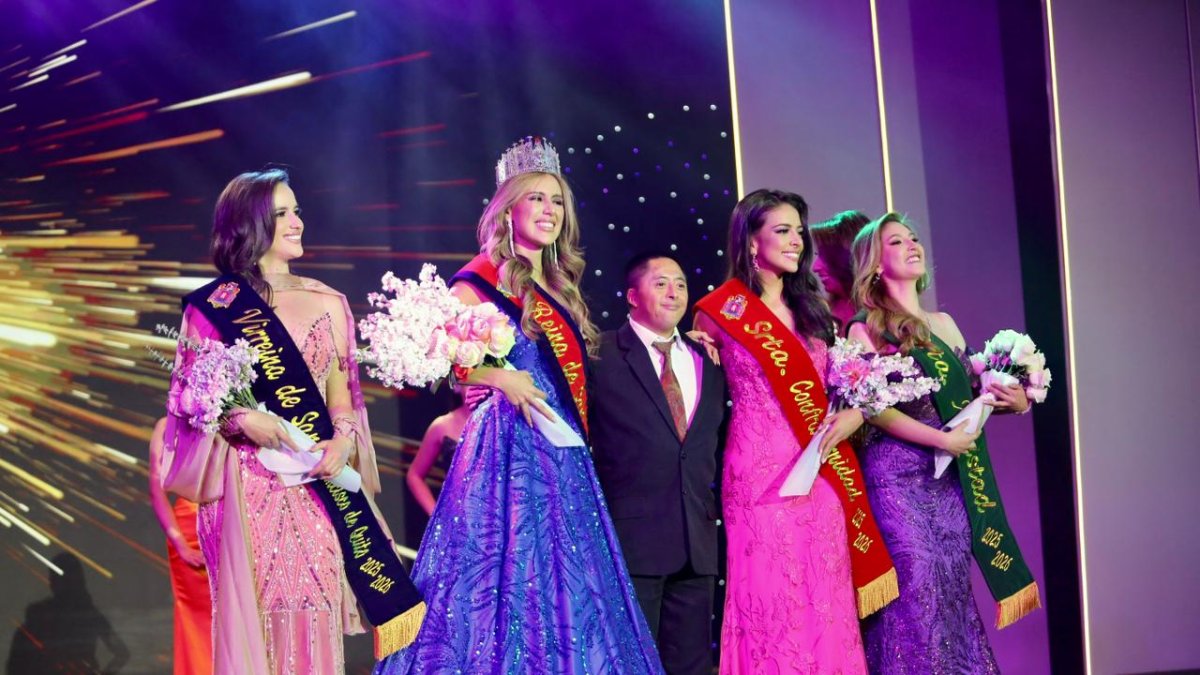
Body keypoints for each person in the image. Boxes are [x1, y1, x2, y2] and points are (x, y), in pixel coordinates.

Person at [374, 137, 662, 674]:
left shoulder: (560, 283)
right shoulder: (478, 278)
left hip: (560, 447)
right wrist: (499, 376)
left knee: (567, 568)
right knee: (501, 567)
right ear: (508, 208)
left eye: (557, 201)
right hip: (505, 445)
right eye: (537, 199)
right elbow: (442, 361)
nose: (550, 211)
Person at [161, 168, 422, 674]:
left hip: (316, 485)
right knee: (257, 617)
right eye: (282, 213)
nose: (297, 221)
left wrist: (343, 440)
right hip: (247, 487)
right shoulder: (213, 308)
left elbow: (342, 398)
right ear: (249, 224)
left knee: (312, 606)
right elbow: (191, 401)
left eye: (297, 210)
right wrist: (241, 419)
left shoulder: (329, 302)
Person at [692, 189, 897, 674]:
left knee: (825, 602)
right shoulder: (718, 313)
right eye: (782, 231)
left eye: (798, 232)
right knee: (768, 597)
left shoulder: (814, 311)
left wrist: (857, 413)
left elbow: (845, 386)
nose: (796, 242)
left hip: (821, 472)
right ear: (750, 241)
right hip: (755, 478)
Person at [846, 213, 1040, 673]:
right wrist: (940, 438)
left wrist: (1014, 400)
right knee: (915, 595)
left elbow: (969, 402)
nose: (913, 244)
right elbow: (872, 407)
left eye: (914, 238)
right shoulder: (865, 328)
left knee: (951, 592)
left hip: (949, 482)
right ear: (875, 263)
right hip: (898, 481)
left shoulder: (944, 323)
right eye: (897, 241)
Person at [589, 252, 727, 675]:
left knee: (692, 664)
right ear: (632, 296)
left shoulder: (708, 359)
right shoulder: (600, 352)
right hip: (631, 540)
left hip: (696, 543)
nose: (674, 292)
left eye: (682, 284)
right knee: (629, 662)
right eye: (661, 282)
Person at [148, 417, 211, 675]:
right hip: (190, 532)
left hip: (233, 527)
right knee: (197, 621)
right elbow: (156, 489)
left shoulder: (234, 417)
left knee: (240, 618)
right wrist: (181, 545)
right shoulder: (167, 425)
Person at [406, 387, 469, 516]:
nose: (479, 384)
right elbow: (415, 475)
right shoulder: (442, 426)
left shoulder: (506, 423)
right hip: (457, 523)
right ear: (457, 384)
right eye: (472, 378)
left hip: (502, 523)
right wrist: (436, 518)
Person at [811, 210, 871, 331]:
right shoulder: (819, 317)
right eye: (817, 255)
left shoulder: (887, 320)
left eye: (825, 256)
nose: (815, 267)